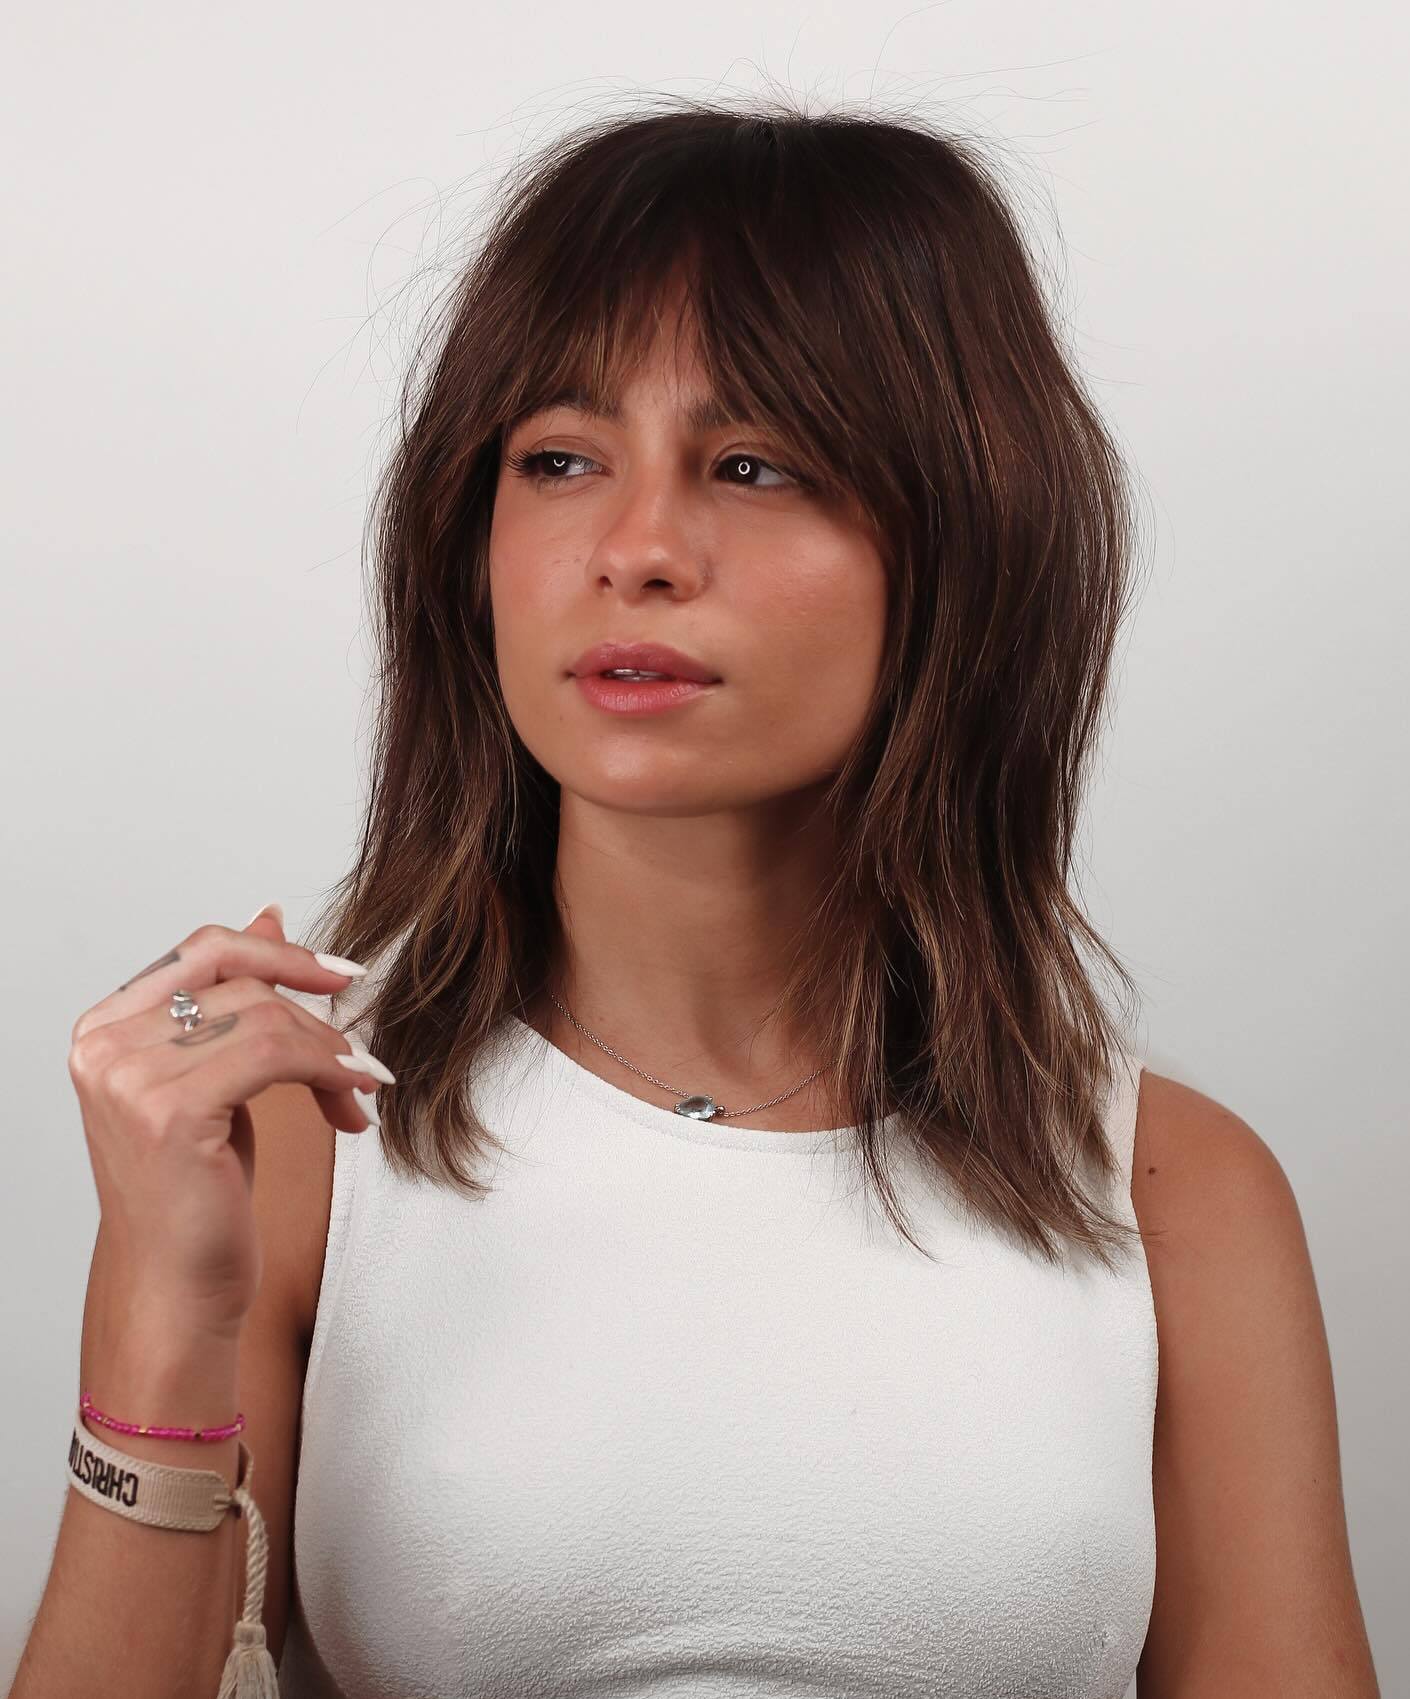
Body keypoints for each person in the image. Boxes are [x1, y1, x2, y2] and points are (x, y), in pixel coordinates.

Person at [14, 98, 1379, 1699]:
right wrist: (163, 1314)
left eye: (752, 464)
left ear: (962, 545)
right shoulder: (302, 1137)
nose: (638, 547)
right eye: (559, 459)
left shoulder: (1170, 1188)